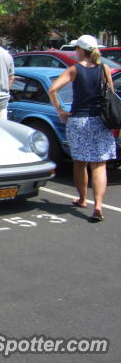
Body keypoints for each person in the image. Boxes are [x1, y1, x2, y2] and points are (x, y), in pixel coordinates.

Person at [48, 34, 116, 222]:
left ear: (79, 50)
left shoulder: (74, 69)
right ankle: (99, 205)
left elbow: (52, 89)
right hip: (100, 121)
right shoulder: (104, 68)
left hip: (78, 120)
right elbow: (110, 94)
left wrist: (60, 109)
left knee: (80, 162)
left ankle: (83, 199)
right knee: (99, 164)